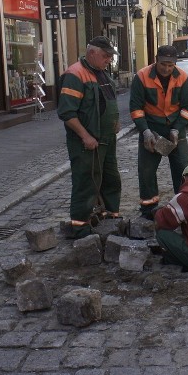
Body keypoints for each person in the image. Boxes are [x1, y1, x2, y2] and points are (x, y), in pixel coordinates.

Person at [57, 37, 122, 238]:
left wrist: (115, 120)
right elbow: (67, 113)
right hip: (87, 143)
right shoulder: (75, 74)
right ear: (91, 52)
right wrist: (85, 136)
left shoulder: (101, 74)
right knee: (86, 181)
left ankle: (110, 216)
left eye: (111, 56)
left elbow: (109, 101)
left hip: (106, 139)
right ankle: (81, 227)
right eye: (105, 55)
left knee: (110, 177)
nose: (109, 60)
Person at [130, 45, 188, 219]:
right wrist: (145, 132)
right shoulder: (142, 77)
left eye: (170, 65)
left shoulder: (182, 77)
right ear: (156, 60)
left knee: (183, 169)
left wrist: (177, 129)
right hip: (152, 129)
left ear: (175, 64)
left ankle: (183, 205)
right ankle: (149, 208)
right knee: (146, 171)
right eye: (163, 64)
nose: (166, 68)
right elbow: (136, 108)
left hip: (175, 129)